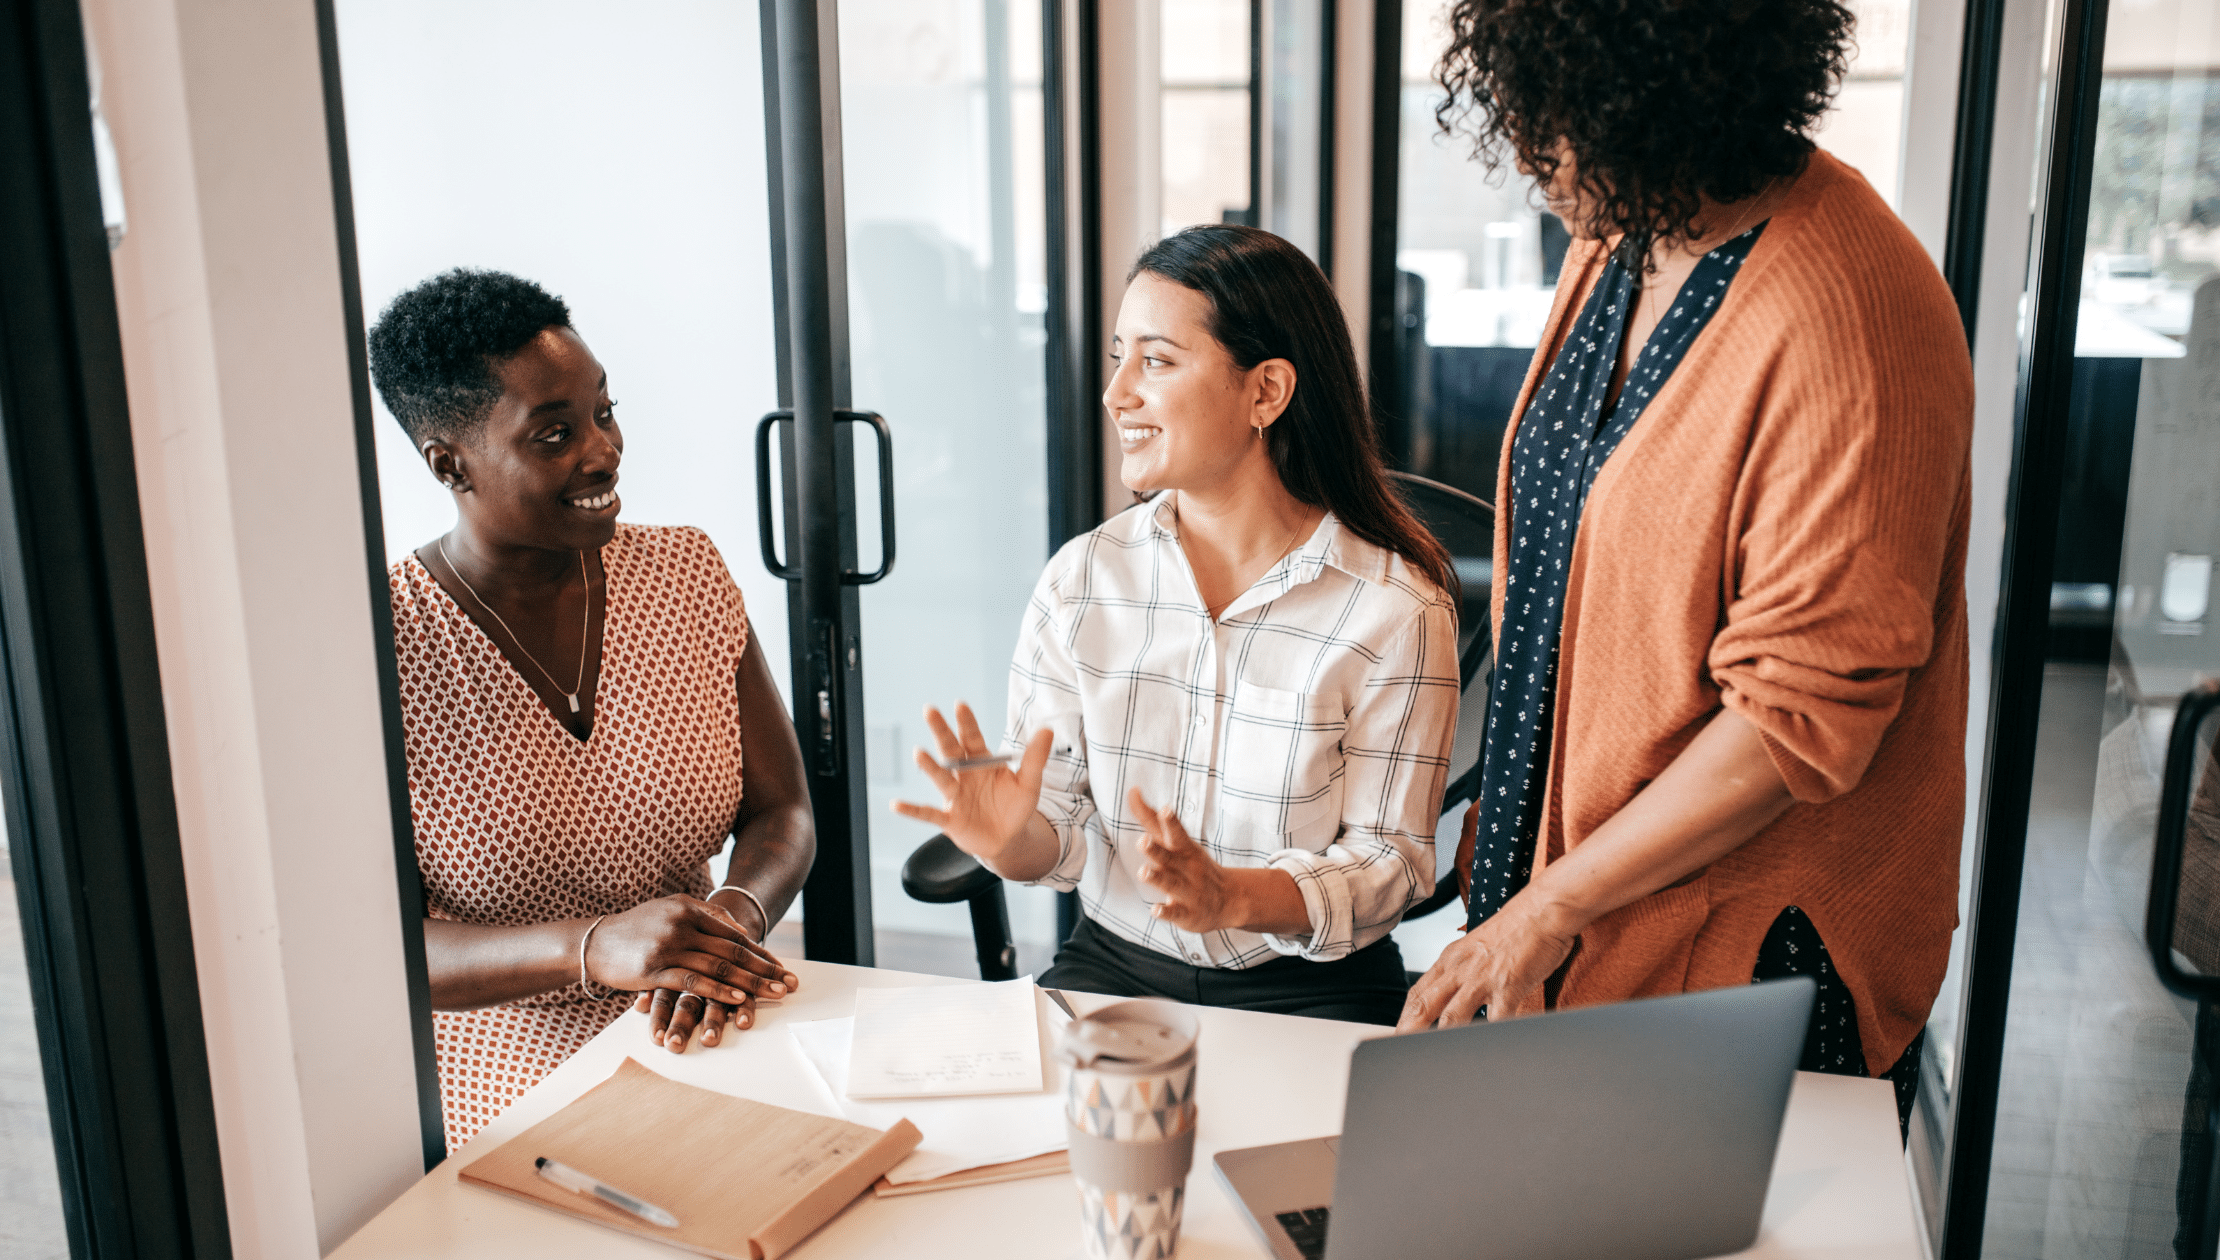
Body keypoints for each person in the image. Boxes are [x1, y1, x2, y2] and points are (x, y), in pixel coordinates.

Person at [1394, 0, 1973, 1129]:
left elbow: (1793, 723)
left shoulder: (1848, 313)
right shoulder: (1630, 233)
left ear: (1655, 96)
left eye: (1555, 121)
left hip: (1737, 960)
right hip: (1575, 916)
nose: (1529, 157)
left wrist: (1548, 908)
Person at [895, 226, 1460, 1026]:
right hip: (1113, 963)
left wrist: (1232, 896)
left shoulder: (1396, 606)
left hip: (1309, 988)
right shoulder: (1082, 579)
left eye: (1155, 361)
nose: (1117, 391)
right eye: (1120, 354)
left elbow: (1390, 863)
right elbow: (1059, 835)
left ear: (1266, 392)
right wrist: (1006, 838)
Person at [368, 270, 813, 1150]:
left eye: (604, 413)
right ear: (447, 462)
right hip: (508, 1084)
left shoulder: (685, 574)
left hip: (707, 1024)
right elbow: (383, 949)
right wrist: (590, 947)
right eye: (555, 434)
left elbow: (783, 810)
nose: (604, 452)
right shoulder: (382, 645)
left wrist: (733, 919)